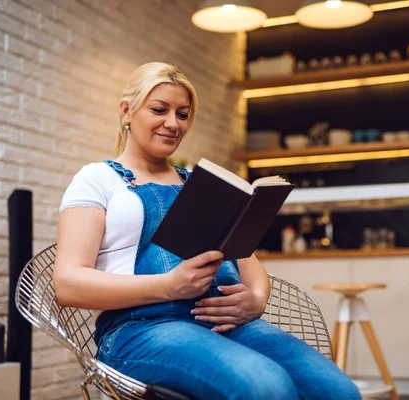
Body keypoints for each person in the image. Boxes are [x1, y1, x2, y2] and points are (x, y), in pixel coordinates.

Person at [54, 62, 361, 400]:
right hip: (142, 330)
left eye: (183, 114)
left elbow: (248, 262)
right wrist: (168, 286)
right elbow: (68, 284)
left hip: (226, 326)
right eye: (159, 110)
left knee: (337, 390)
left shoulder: (198, 183)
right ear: (127, 111)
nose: (173, 123)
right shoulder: (98, 179)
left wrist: (256, 301)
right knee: (266, 387)